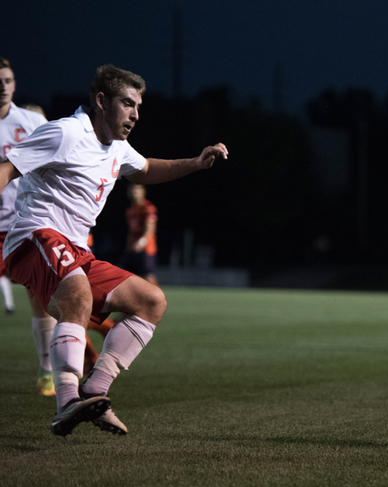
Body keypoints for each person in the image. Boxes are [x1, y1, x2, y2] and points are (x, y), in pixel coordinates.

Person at [0, 64, 228, 437]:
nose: (135, 114)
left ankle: (94, 392)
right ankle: (67, 401)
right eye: (128, 104)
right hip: (33, 237)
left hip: (74, 249)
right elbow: (7, 169)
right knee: (76, 296)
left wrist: (196, 163)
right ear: (102, 101)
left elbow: (147, 168)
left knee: (151, 301)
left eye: (138, 106)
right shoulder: (66, 131)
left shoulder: (117, 147)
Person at [0, 58, 57, 396]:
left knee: (38, 298)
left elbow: (57, 160)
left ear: (15, 83)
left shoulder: (33, 121)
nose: (2, 85)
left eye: (7, 79)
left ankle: (46, 371)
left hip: (24, 224)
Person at [121, 183, 158, 285]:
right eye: (133, 190)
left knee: (148, 275)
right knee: (126, 274)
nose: (134, 193)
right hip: (132, 247)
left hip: (146, 248)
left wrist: (142, 242)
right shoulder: (130, 210)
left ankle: (157, 298)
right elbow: (131, 231)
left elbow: (150, 228)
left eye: (137, 190)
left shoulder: (148, 208)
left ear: (143, 192)